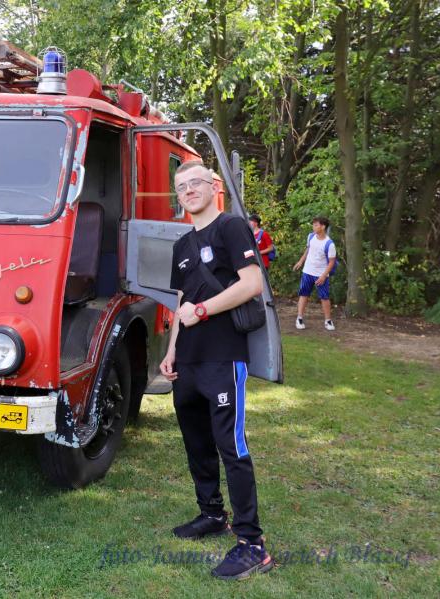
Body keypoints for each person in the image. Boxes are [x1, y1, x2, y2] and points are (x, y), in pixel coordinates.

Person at [159, 160, 273, 580]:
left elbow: (251, 284)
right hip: (188, 360)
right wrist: (171, 351)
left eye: (195, 183)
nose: (189, 191)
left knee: (231, 446)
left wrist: (204, 310)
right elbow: (181, 303)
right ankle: (211, 514)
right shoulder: (181, 245)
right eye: (181, 186)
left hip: (223, 356)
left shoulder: (232, 227)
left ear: (213, 187)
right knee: (196, 443)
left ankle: (252, 544)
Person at [292, 216, 337, 331]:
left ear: (323, 227)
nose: (313, 227)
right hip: (307, 272)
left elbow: (332, 262)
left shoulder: (329, 244)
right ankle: (299, 318)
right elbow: (308, 250)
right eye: (313, 224)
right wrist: (300, 261)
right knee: (303, 294)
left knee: (324, 297)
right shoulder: (311, 237)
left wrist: (323, 276)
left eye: (316, 225)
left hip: (321, 275)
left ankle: (328, 321)